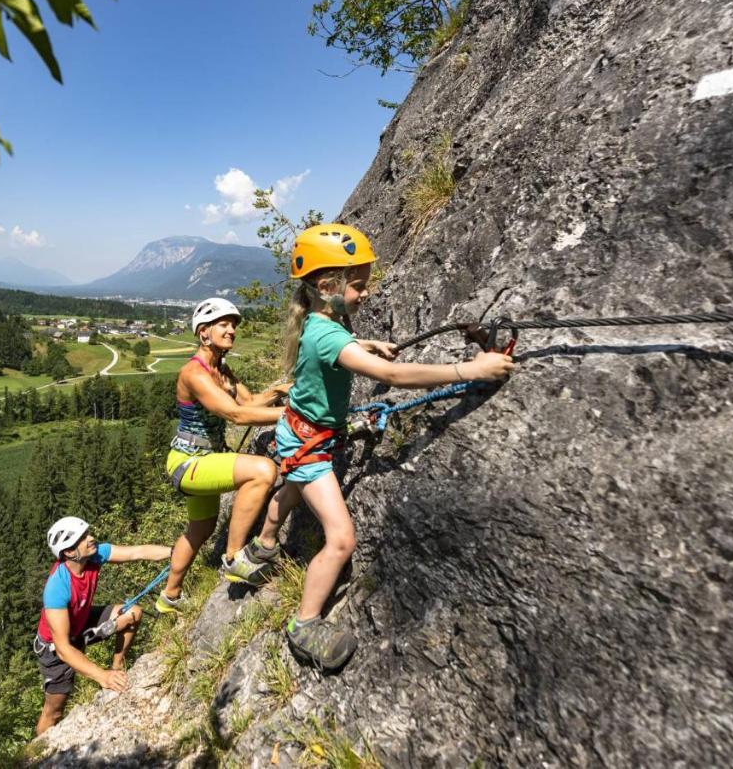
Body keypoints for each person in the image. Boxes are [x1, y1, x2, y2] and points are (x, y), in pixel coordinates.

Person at [254, 224, 515, 672]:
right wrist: (469, 369)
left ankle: (264, 542)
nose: (366, 292)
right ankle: (304, 624)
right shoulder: (328, 335)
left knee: (291, 488)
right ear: (327, 286)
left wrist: (366, 344)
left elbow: (335, 345)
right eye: (358, 285)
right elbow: (391, 378)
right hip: (309, 447)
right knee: (341, 539)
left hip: (299, 433)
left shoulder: (323, 322)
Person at [156, 297, 292, 613]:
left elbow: (251, 401)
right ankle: (234, 558)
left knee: (201, 529)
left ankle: (170, 597)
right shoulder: (194, 373)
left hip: (200, 462)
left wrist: (282, 391)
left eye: (234, 325)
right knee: (262, 471)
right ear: (204, 332)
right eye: (224, 324)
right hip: (189, 463)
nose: (231, 330)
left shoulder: (223, 370)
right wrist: (291, 413)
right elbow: (237, 415)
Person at [33, 516, 171, 736]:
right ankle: (36, 754)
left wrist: (176, 551)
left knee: (132, 613)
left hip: (81, 624)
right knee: (54, 711)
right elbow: (62, 648)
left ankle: (118, 666)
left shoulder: (95, 555)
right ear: (69, 552)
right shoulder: (57, 587)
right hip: (56, 649)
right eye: (83, 538)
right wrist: (102, 676)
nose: (92, 538)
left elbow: (137, 552)